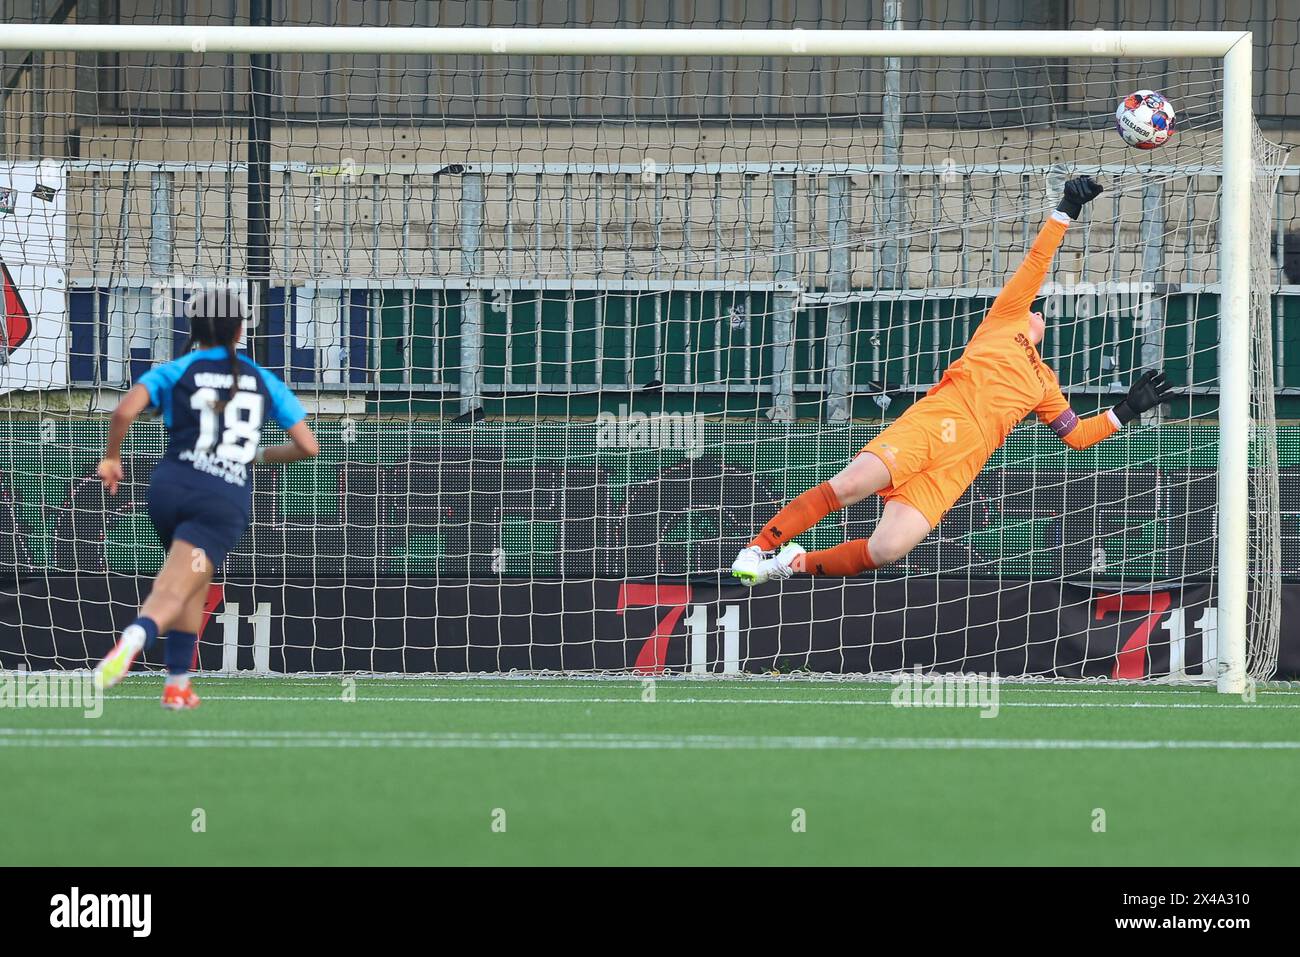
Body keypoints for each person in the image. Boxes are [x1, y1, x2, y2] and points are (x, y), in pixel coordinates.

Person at [732, 176, 1175, 585]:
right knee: (847, 487)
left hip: (959, 464)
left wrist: (1126, 411)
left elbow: (1077, 435)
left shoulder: (1045, 382)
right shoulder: (1005, 318)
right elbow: (1037, 263)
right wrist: (1066, 210)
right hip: (933, 425)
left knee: (887, 549)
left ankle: (792, 564)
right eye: (1033, 307)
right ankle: (757, 548)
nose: (1038, 310)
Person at [92, 288, 319, 708]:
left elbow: (123, 411)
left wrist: (111, 458)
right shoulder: (261, 379)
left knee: (194, 575)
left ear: (194, 329)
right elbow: (308, 446)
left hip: (169, 487)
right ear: (239, 330)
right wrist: (261, 455)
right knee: (178, 583)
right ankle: (135, 636)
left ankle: (177, 682)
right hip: (221, 497)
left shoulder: (176, 369)